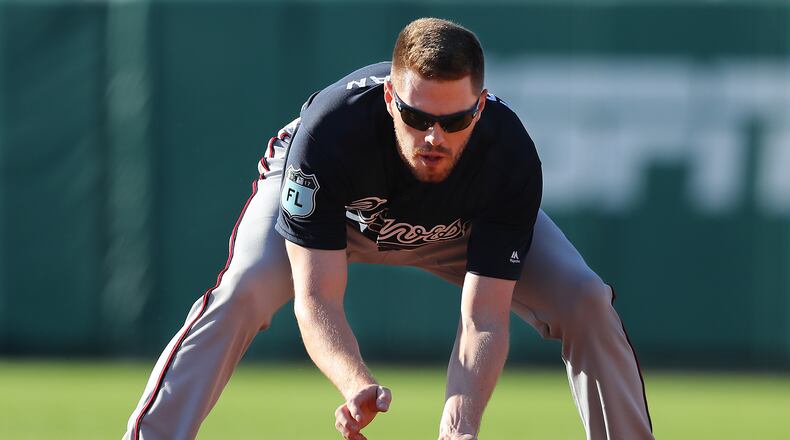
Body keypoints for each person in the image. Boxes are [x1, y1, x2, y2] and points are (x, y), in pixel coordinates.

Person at [124, 17, 654, 440]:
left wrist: (460, 428)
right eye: (417, 117)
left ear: (480, 107)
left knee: (585, 298)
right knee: (243, 290)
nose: (434, 137)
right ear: (389, 99)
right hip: (338, 213)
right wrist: (355, 383)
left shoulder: (508, 156)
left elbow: (484, 317)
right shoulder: (330, 132)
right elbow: (317, 299)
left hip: (456, 230)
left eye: (454, 121)